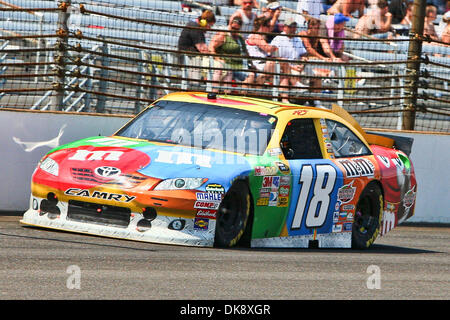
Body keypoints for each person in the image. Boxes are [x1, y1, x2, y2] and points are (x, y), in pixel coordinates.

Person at [209, 16, 255, 93]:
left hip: (239, 66)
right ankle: (224, 94)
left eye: (237, 29)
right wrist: (218, 58)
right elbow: (211, 47)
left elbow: (246, 52)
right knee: (228, 72)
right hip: (227, 65)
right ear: (230, 25)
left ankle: (243, 97)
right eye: (233, 28)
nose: (234, 31)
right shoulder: (223, 35)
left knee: (252, 75)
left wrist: (252, 64)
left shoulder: (240, 38)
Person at [271, 18, 307, 102]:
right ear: (285, 27)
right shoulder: (278, 39)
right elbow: (274, 56)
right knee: (285, 65)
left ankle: (316, 102)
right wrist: (293, 67)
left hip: (298, 67)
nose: (293, 29)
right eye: (291, 27)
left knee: (316, 76)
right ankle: (296, 86)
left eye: (294, 26)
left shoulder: (298, 39)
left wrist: (302, 63)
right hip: (282, 68)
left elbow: (304, 54)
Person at [177, 9, 216, 79]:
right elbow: (203, 49)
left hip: (191, 57)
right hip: (188, 58)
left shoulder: (195, 26)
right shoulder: (195, 27)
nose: (210, 28)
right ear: (204, 22)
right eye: (210, 25)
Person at [246, 16, 279, 85]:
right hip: (256, 64)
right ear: (261, 26)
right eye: (268, 26)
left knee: (284, 63)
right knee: (272, 63)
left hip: (263, 63)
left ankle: (294, 86)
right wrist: (275, 47)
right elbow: (268, 48)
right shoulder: (256, 36)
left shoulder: (262, 37)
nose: (269, 28)